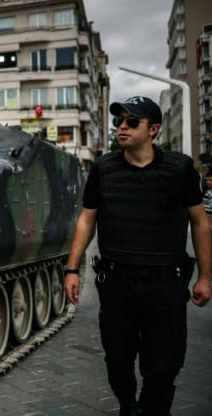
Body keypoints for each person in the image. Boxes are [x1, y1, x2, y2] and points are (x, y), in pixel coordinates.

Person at [64, 96, 212, 416]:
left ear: (154, 129)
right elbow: (86, 219)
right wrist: (71, 269)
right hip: (118, 284)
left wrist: (204, 277)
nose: (123, 127)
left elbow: (200, 223)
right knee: (117, 360)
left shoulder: (180, 168)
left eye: (133, 122)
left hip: (166, 285)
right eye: (120, 121)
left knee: (162, 366)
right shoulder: (103, 168)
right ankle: (127, 404)